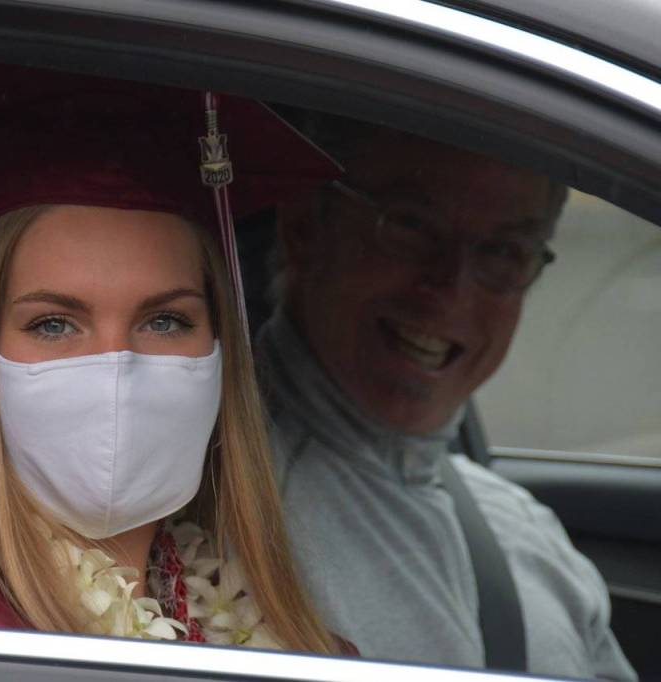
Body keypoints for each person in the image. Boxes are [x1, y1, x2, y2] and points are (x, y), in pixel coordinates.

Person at [0, 60, 354, 655]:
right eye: (54, 324)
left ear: (222, 356)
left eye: (165, 321)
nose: (117, 368)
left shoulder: (282, 639)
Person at [258, 113, 635, 678]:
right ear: (306, 224)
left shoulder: (524, 532)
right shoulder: (207, 500)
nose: (451, 287)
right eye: (411, 226)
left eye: (503, 253)